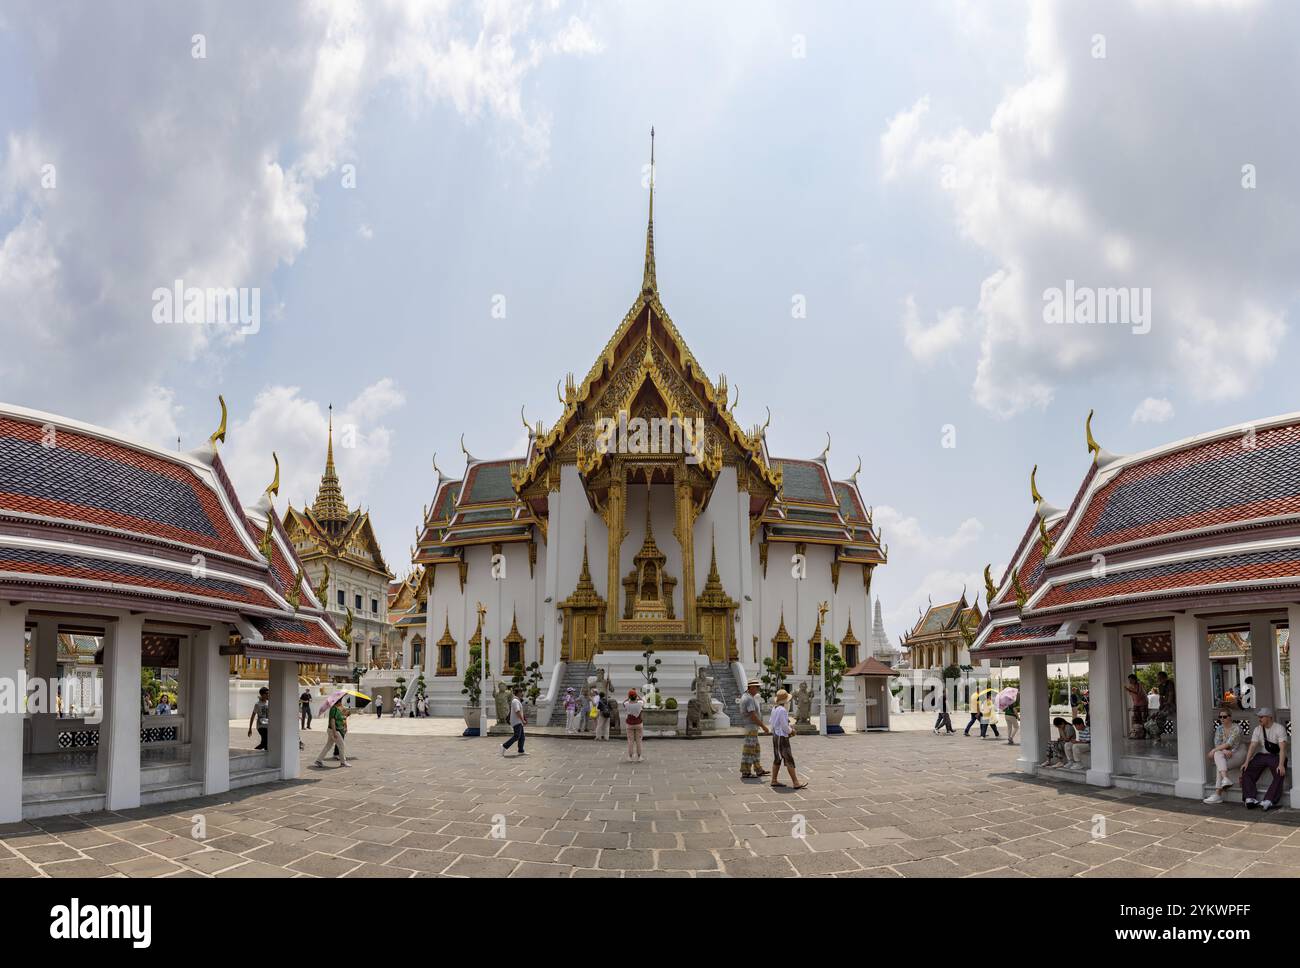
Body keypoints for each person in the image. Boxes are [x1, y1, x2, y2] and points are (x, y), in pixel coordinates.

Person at [1241, 707, 1288, 812]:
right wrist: (1246, 762)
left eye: (1261, 717)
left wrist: (1281, 764)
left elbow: (1282, 748)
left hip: (1275, 756)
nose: (1259, 719)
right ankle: (1250, 798)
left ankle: (1269, 800)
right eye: (1259, 717)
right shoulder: (1258, 729)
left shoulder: (1279, 728)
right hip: (1262, 755)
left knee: (1279, 772)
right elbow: (1252, 746)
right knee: (1246, 770)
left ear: (1269, 717)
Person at [1203, 708, 1247, 803]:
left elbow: (1229, 744)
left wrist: (1215, 750)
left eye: (1224, 717)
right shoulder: (1219, 729)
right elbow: (1217, 743)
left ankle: (1218, 794)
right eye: (1220, 717)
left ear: (1230, 717)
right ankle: (1226, 779)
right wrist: (1222, 750)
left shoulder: (1237, 728)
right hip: (1225, 753)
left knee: (1219, 763)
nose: (1222, 719)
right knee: (1218, 755)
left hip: (1239, 753)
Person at [768, 689, 806, 789]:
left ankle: (774, 780)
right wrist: (791, 731)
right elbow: (785, 727)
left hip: (775, 735)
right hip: (782, 737)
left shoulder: (774, 708)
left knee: (777, 758)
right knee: (789, 758)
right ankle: (796, 782)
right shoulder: (782, 710)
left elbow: (771, 722)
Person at [738, 679, 771, 779]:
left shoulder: (749, 697)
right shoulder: (748, 699)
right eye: (756, 687)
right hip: (751, 726)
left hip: (752, 727)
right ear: (751, 687)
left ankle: (758, 769)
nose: (758, 689)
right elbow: (753, 716)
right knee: (749, 750)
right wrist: (764, 726)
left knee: (755, 749)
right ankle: (745, 771)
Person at [314, 697, 350, 768]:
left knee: (328, 746)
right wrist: (334, 732)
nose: (342, 703)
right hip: (334, 730)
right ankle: (343, 762)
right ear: (338, 702)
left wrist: (346, 711)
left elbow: (346, 715)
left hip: (334, 730)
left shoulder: (339, 708)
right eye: (341, 701)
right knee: (341, 745)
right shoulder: (333, 709)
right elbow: (332, 721)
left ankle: (318, 760)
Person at [501, 688, 528, 756]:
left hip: (518, 721)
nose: (522, 693)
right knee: (517, 736)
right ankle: (504, 746)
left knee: (522, 737)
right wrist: (523, 720)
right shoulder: (515, 701)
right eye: (521, 692)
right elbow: (517, 711)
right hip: (517, 721)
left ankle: (521, 750)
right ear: (518, 693)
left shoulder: (517, 700)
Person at [623, 689, 645, 762]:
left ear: (629, 696)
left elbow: (623, 703)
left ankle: (630, 757)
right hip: (638, 723)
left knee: (630, 741)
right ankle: (639, 757)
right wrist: (637, 695)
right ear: (636, 696)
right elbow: (643, 701)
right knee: (639, 741)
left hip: (629, 724)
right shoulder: (640, 703)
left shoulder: (627, 704)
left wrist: (628, 697)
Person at [1125, 674, 1147, 738]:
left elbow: (1138, 692)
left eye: (1131, 680)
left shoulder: (1139, 684)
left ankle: (1144, 734)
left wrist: (1129, 690)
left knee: (1143, 718)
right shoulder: (1130, 686)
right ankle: (1137, 733)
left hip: (1143, 703)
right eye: (1129, 680)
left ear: (1135, 679)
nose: (1130, 681)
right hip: (1136, 704)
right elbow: (1132, 696)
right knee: (1136, 719)